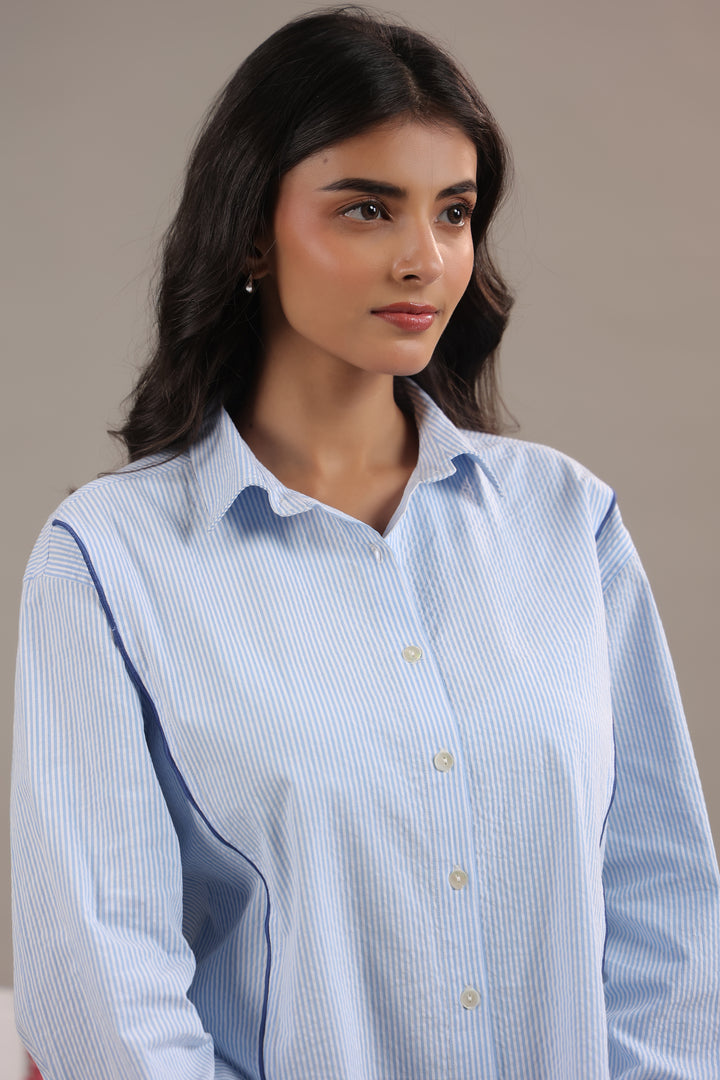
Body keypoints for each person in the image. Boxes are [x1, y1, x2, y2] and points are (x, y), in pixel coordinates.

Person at [11, 7, 720, 1079]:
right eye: (366, 210)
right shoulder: (111, 562)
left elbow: (663, 909)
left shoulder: (568, 525)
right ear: (254, 230)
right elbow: (103, 979)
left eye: (454, 212)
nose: (423, 259)